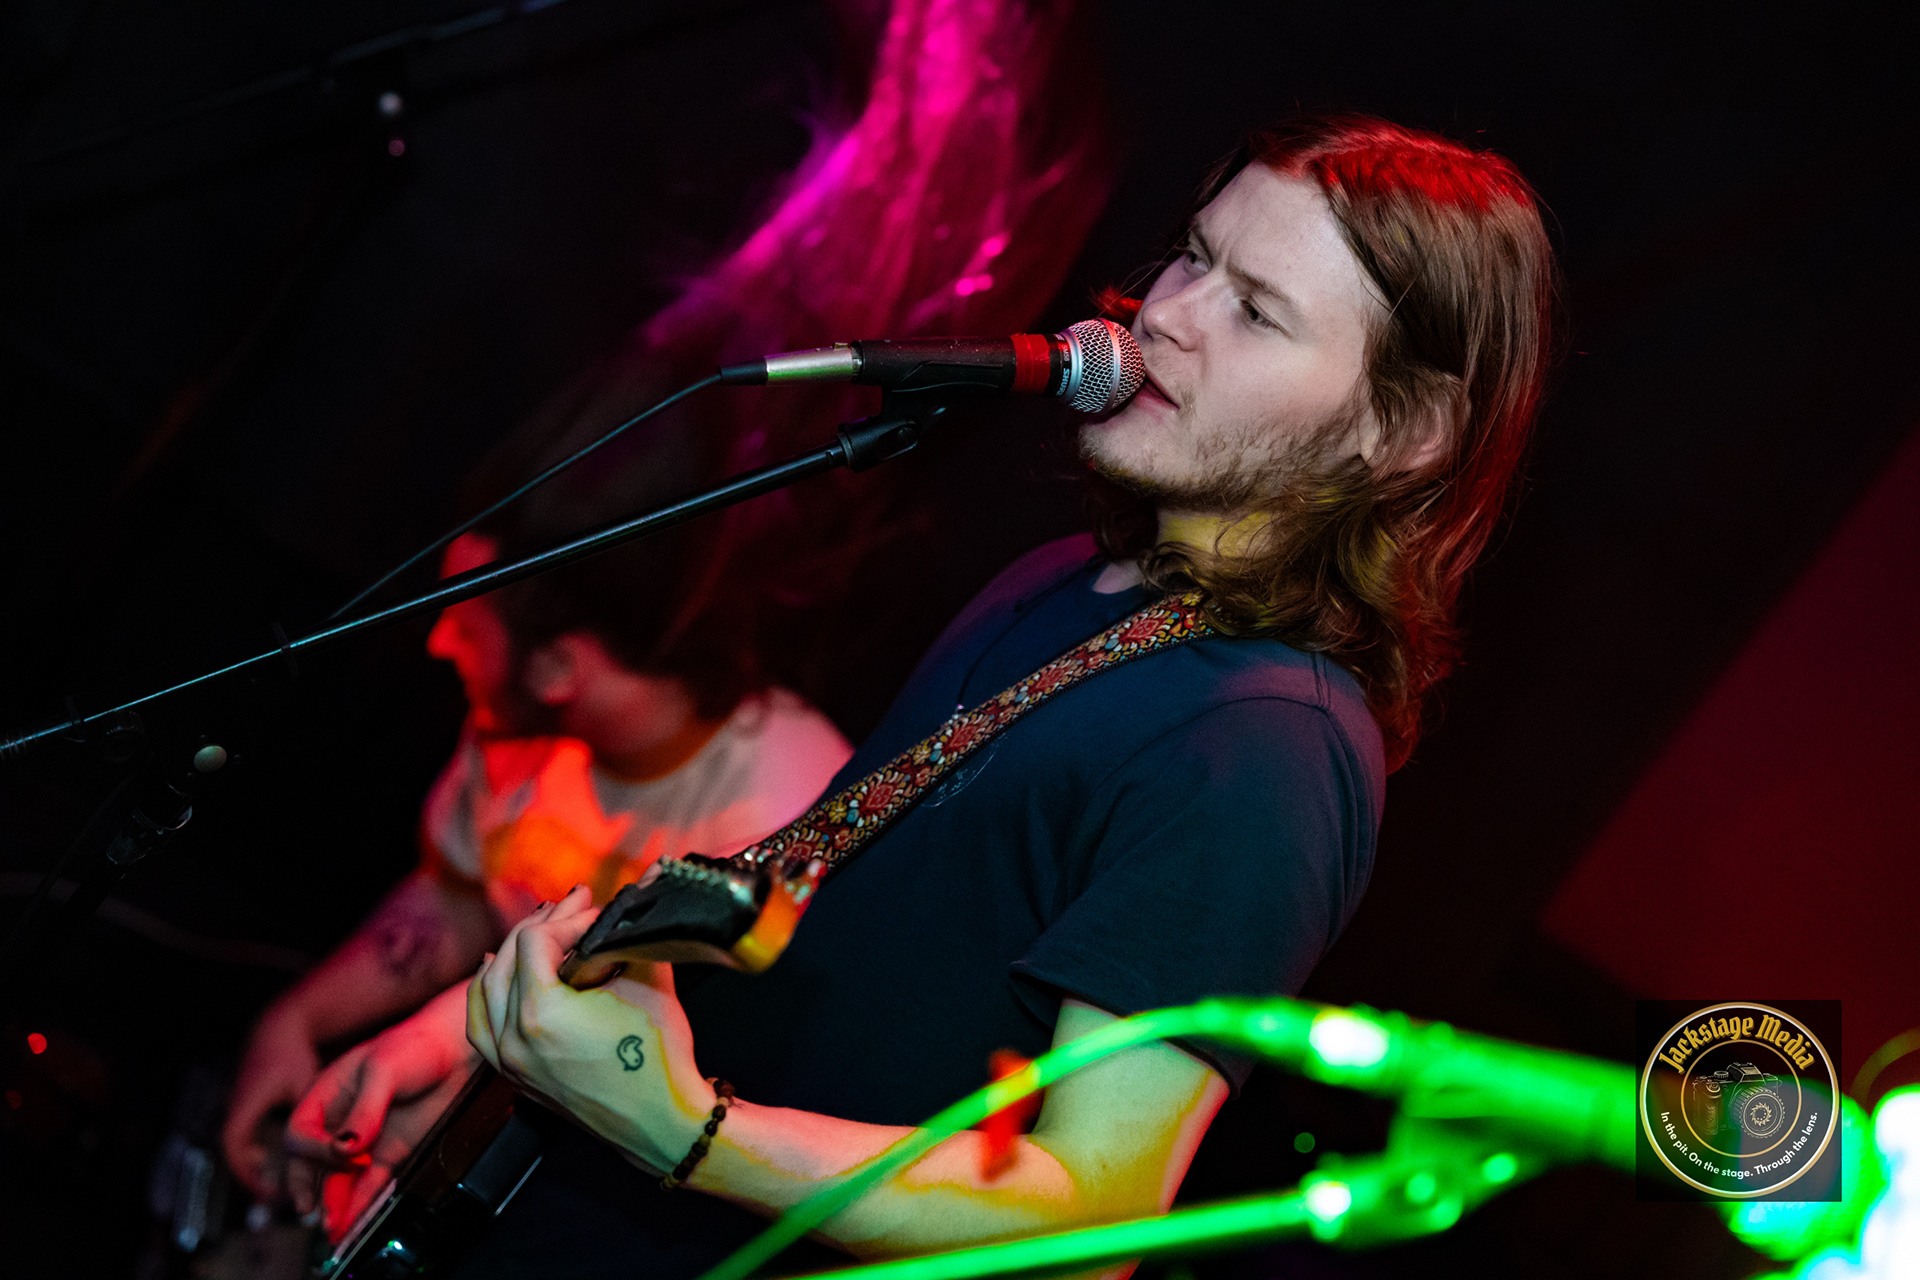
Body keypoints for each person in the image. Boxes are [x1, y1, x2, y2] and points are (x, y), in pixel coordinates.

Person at [283, 114, 1557, 1277]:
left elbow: (1093, 1218)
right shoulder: (1070, 578)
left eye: (1258, 312)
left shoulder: (1269, 749)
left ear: (1402, 433)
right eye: (1193, 256)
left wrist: (689, 1129)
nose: (1169, 312)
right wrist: (478, 1031)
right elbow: (809, 916)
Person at [221, 523, 853, 1200]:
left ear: (558, 668)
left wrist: (448, 1068)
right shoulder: (519, 728)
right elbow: (462, 895)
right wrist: (297, 1021)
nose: (438, 642)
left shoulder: (795, 804)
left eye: (466, 627)